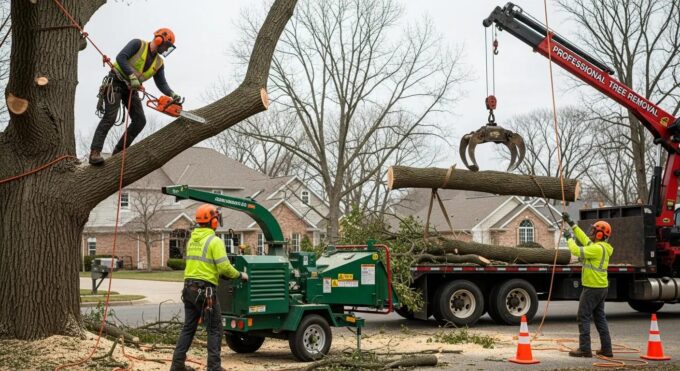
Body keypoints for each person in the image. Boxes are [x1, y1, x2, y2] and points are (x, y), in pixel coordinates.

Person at [170, 204, 249, 371]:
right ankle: (214, 367)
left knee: (188, 327)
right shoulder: (215, 241)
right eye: (216, 218)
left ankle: (177, 365)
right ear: (212, 222)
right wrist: (240, 275)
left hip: (189, 288)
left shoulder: (192, 240)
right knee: (215, 329)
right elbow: (224, 268)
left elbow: (202, 265)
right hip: (206, 291)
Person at [89, 28, 181, 165]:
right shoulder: (138, 44)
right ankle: (95, 152)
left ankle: (119, 153)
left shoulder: (159, 63)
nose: (166, 49)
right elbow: (121, 57)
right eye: (166, 45)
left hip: (131, 89)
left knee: (140, 121)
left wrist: (171, 93)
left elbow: (161, 83)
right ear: (159, 39)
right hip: (116, 81)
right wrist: (131, 76)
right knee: (110, 117)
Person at [562, 212, 614, 358]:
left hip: (592, 288)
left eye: (595, 231)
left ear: (599, 235)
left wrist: (569, 239)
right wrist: (572, 224)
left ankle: (585, 349)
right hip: (601, 287)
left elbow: (576, 250)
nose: (591, 233)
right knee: (600, 318)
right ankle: (607, 349)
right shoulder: (602, 247)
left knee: (583, 316)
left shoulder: (596, 249)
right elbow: (584, 239)